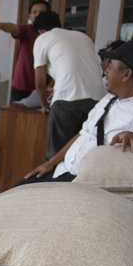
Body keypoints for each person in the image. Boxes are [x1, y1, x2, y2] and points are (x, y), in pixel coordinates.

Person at [21, 41, 133, 184]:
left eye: (110, 65)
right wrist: (50, 163)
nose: (106, 71)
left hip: (84, 181)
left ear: (126, 74)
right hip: (63, 170)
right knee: (17, 189)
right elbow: (83, 133)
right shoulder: (109, 99)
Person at [32, 11, 106, 158]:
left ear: (40, 31)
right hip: (97, 100)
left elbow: (39, 81)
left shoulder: (43, 39)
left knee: (57, 155)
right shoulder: (84, 37)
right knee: (84, 152)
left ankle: (54, 180)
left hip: (66, 101)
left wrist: (44, 104)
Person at [0, 0, 51, 104]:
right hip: (21, 86)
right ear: (30, 16)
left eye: (41, 12)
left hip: (44, 87)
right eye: (34, 12)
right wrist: (1, 25)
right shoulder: (27, 29)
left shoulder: (53, 34)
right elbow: (14, 28)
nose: (38, 15)